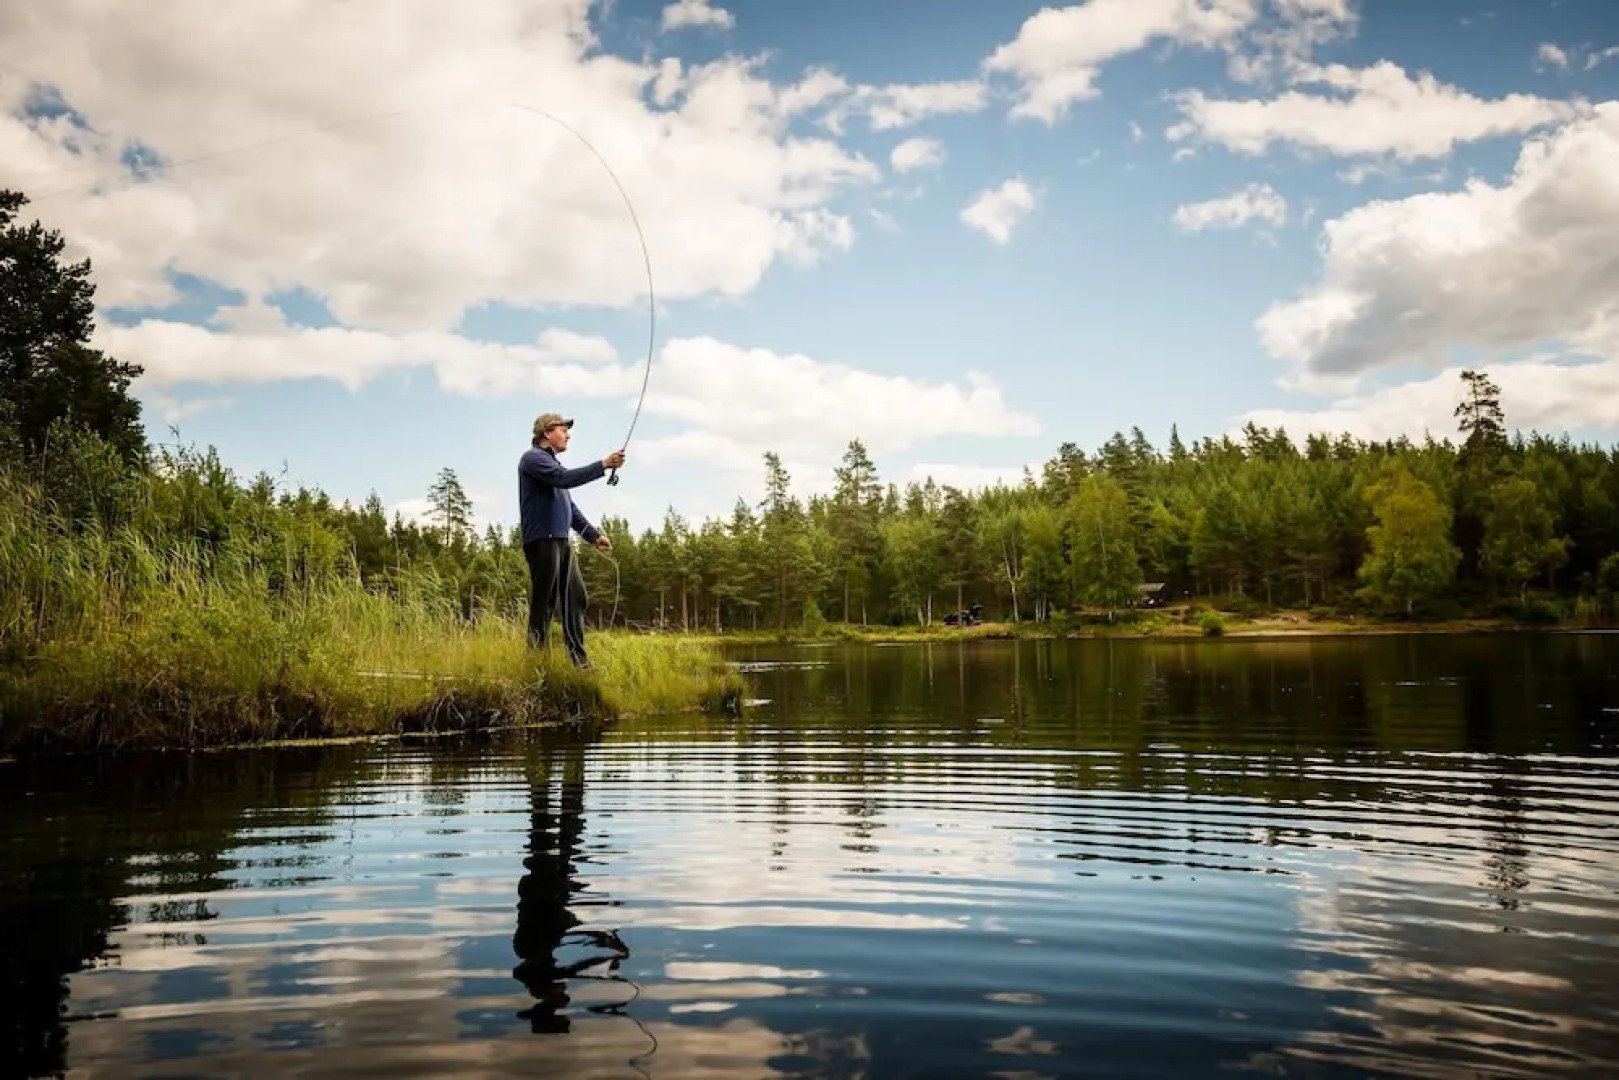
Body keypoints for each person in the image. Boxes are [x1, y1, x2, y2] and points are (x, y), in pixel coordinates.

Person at [518, 412, 625, 665]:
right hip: (542, 541)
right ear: (546, 433)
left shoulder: (552, 466)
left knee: (576, 597)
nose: (567, 434)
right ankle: (536, 662)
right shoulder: (533, 459)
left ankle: (579, 662)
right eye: (562, 429)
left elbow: (569, 507)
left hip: (561, 541)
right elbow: (564, 479)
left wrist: (593, 535)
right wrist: (603, 465)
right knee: (544, 603)